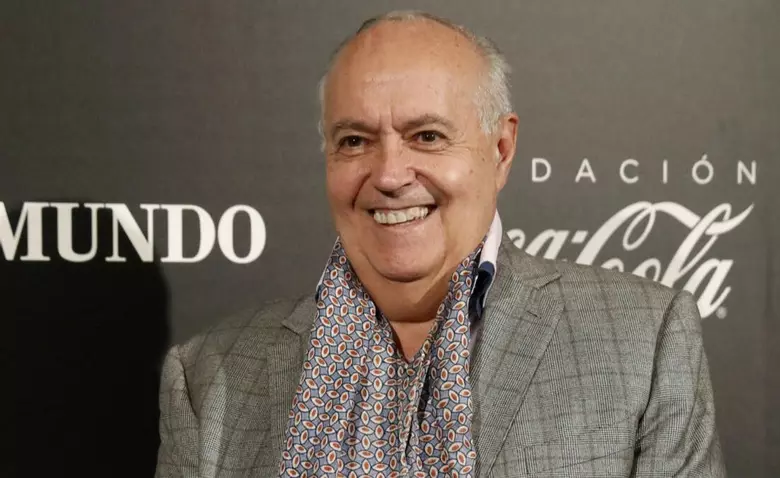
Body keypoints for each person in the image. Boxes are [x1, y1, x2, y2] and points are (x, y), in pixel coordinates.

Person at [155, 10, 726, 478]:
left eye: (426, 136)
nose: (389, 174)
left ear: (500, 150)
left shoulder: (642, 341)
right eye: (354, 141)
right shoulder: (211, 378)